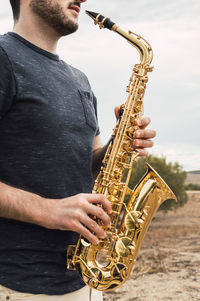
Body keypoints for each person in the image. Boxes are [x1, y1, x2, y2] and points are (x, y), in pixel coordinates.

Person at [0, 0, 156, 300]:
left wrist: (120, 145)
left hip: (84, 279)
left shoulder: (79, 80)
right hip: (18, 285)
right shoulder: (4, 58)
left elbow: (88, 164)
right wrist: (47, 210)